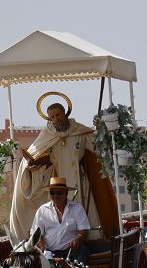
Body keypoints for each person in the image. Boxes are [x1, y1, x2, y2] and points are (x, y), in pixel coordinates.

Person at [9, 100, 98, 242]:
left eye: (58, 115)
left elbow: (97, 146)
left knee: (82, 212)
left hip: (78, 182)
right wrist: (31, 165)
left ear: (65, 113)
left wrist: (100, 127)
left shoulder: (80, 132)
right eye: (52, 117)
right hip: (57, 182)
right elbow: (36, 153)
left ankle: (84, 241)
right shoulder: (47, 135)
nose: (56, 119)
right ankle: (57, 243)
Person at [29, 177, 91, 266]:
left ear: (66, 193)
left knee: (83, 250)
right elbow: (37, 234)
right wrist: (44, 249)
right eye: (52, 193)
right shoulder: (42, 210)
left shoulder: (77, 208)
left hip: (71, 251)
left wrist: (78, 239)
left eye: (59, 193)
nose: (55, 196)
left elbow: (83, 232)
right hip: (49, 252)